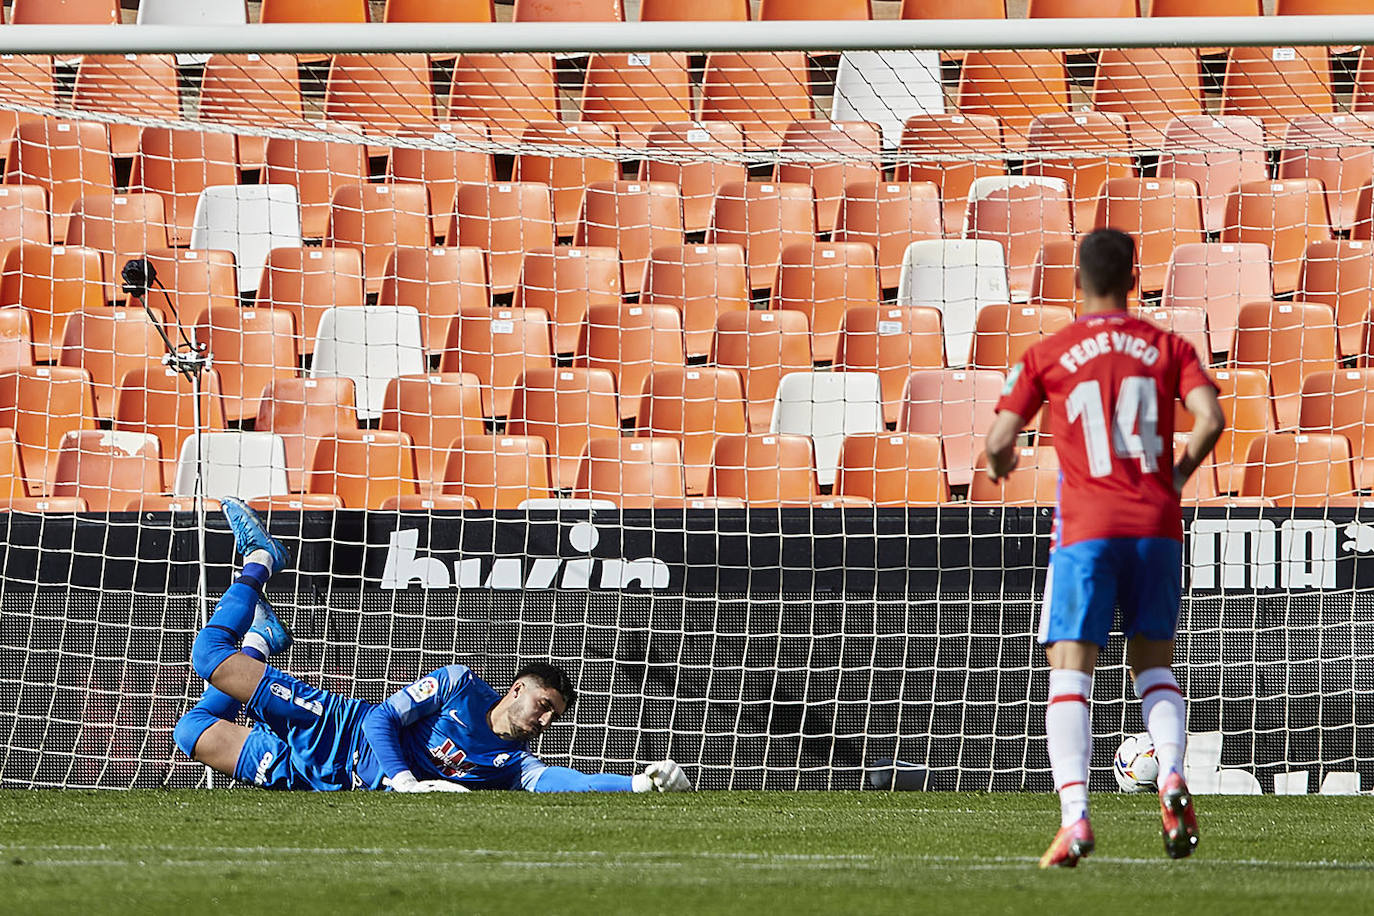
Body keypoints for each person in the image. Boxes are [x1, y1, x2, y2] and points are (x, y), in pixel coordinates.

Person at [984, 228, 1225, 868]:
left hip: (1087, 529)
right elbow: (1212, 417)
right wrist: (1175, 475)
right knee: (1153, 666)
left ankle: (1075, 818)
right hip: (1155, 524)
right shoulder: (1168, 346)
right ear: (1134, 280)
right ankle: (1172, 774)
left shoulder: (1051, 352)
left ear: (1076, 284)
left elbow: (999, 437)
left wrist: (1002, 461)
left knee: (1071, 669)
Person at [174, 498, 692, 794]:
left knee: (191, 731)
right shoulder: (458, 684)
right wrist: (402, 779)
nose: (545, 721)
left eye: (553, 716)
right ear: (516, 690)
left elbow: (561, 779)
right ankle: (262, 560)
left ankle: (263, 641)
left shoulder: (510, 763)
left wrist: (635, 785)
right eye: (543, 705)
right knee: (210, 657)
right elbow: (380, 718)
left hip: (322, 779)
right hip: (334, 727)